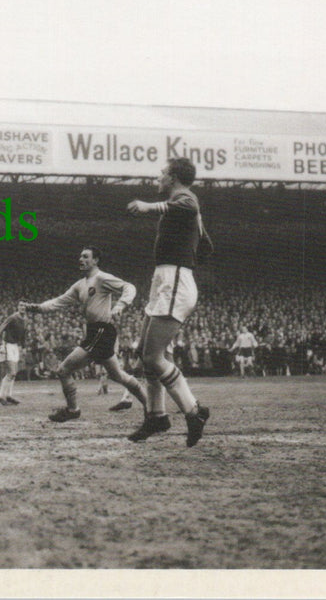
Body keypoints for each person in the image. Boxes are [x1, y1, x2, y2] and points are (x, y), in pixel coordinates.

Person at [125, 156, 214, 446]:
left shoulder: (186, 198)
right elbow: (205, 244)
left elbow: (189, 207)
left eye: (162, 173)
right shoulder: (185, 207)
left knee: (152, 357)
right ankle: (157, 417)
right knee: (145, 355)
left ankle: (193, 411)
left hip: (175, 279)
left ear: (174, 177)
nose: (158, 178)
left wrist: (149, 206)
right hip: (167, 279)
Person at [22, 247, 147, 422]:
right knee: (117, 375)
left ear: (95, 260)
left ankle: (73, 410)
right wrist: (34, 307)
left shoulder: (102, 278)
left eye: (85, 256)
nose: (81, 259)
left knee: (63, 370)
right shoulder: (80, 285)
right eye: (80, 256)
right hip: (96, 332)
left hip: (102, 331)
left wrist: (120, 305)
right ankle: (152, 407)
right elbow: (58, 302)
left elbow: (129, 287)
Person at [0, 301, 28, 405]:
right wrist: (0, 345)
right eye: (21, 305)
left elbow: (24, 335)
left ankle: (8, 396)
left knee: (14, 373)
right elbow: (0, 329)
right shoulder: (12, 318)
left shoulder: (26, 320)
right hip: (6, 345)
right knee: (11, 372)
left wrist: (24, 347)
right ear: (17, 307)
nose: (23, 307)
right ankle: (0, 396)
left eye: (25, 305)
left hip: (15, 346)